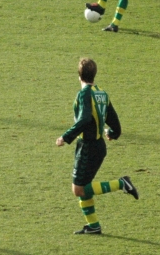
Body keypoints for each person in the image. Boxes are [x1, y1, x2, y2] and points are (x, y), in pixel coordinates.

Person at [56, 58, 139, 235]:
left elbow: (85, 119)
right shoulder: (102, 93)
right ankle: (93, 226)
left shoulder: (85, 94)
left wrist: (66, 136)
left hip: (88, 147)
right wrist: (113, 133)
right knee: (83, 187)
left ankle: (121, 184)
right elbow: (113, 118)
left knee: (78, 189)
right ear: (94, 74)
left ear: (79, 75)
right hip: (98, 146)